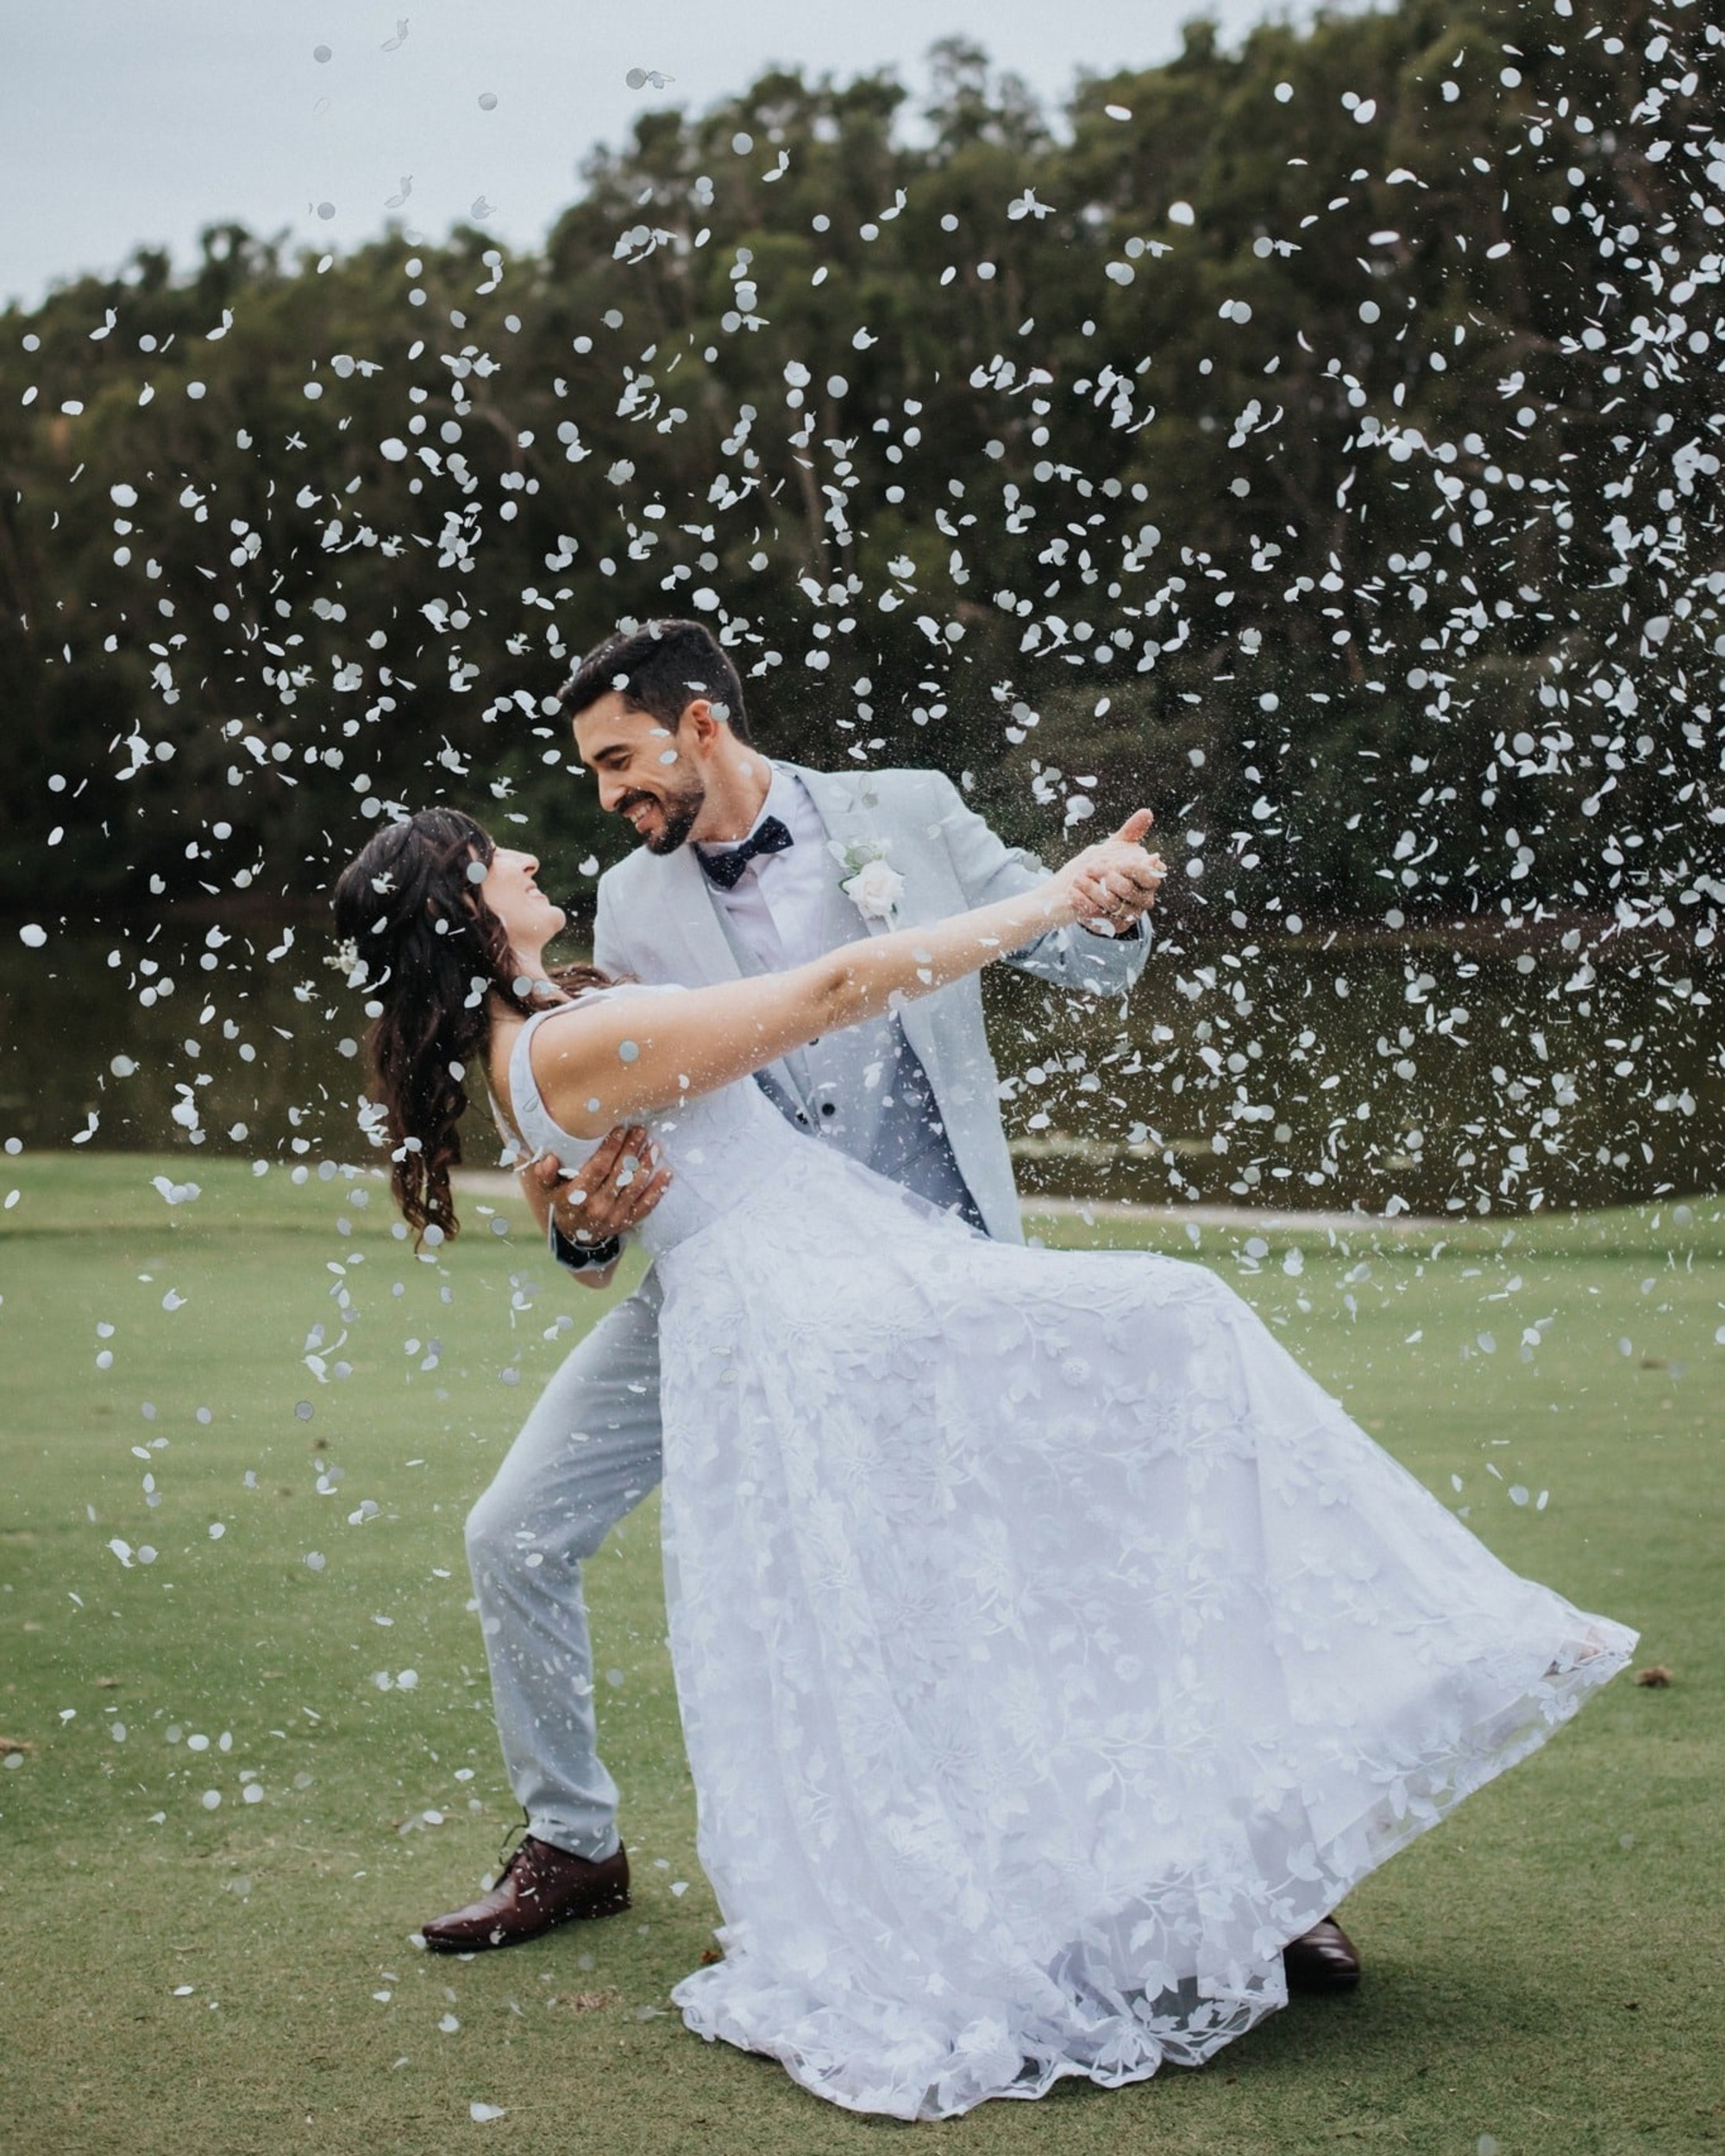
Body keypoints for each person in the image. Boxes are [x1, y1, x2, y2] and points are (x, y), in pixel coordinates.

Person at [332, 800, 1633, 2122]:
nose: (540, 852)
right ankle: (1421, 1655)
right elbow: (834, 988)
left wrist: (576, 1212)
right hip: (827, 1305)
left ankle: (1207, 1853)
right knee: (1180, 1328)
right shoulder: (566, 1036)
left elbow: (576, 1184)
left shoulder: (532, 1027)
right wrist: (1057, 897)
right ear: (465, 906)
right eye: (501, 856)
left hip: (813, 1291)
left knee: (976, 1564)